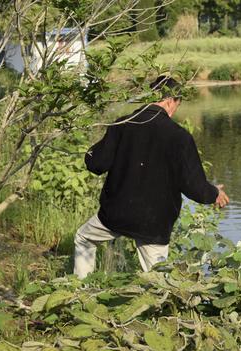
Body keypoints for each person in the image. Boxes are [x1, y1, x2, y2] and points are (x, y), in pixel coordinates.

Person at [73, 76, 229, 278]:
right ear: (170, 100)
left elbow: (95, 164)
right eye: (177, 105)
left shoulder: (122, 125)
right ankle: (165, 308)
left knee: (84, 238)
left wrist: (93, 149)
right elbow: (193, 186)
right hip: (154, 224)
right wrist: (214, 193)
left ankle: (80, 290)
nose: (173, 112)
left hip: (116, 215)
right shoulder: (179, 137)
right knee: (160, 280)